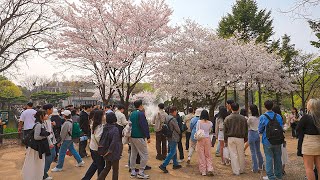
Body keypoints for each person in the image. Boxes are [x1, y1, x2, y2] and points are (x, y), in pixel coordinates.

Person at [22, 110, 50, 180]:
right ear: (41, 116)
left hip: (37, 148)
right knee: (36, 163)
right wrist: (46, 136)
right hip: (36, 149)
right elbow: (36, 137)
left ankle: (37, 177)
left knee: (37, 163)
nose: (47, 115)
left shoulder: (40, 124)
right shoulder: (39, 125)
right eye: (45, 114)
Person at [259, 100, 283, 180]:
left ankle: (271, 176)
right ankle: (279, 175)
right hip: (278, 140)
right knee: (278, 157)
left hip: (267, 140)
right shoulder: (278, 116)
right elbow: (281, 127)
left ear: (265, 106)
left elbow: (260, 130)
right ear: (272, 106)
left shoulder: (263, 117)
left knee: (268, 158)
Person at [296, 99, 320, 180]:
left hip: (308, 143)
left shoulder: (306, 117)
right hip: (318, 143)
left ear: (309, 106)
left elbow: (298, 129)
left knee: (309, 168)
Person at [224, 103, 248, 176]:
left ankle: (236, 171)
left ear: (231, 108)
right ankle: (242, 169)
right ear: (238, 109)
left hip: (231, 137)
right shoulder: (243, 118)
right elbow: (246, 129)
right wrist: (245, 138)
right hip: (240, 138)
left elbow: (225, 130)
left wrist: (225, 140)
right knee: (241, 153)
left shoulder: (227, 118)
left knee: (233, 154)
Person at [97, 112, 122, 180]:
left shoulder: (105, 127)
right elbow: (114, 141)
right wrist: (110, 151)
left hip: (106, 151)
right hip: (113, 152)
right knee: (115, 169)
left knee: (107, 167)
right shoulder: (115, 129)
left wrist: (107, 151)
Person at [129, 100, 150, 179]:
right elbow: (144, 125)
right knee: (144, 154)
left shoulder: (132, 113)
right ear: (141, 105)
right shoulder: (141, 114)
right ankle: (141, 172)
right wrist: (148, 136)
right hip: (139, 136)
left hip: (132, 136)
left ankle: (133, 171)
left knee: (133, 154)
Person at [82, 110, 105, 180]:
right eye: (104, 115)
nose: (105, 116)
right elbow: (98, 137)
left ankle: (86, 178)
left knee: (95, 164)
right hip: (97, 149)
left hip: (93, 148)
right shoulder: (100, 126)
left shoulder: (94, 124)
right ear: (100, 117)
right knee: (100, 166)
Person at [159, 106, 182, 173]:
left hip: (168, 135)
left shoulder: (166, 117)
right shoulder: (173, 119)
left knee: (173, 149)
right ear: (174, 111)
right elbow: (177, 129)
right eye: (176, 111)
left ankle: (175, 164)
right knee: (172, 151)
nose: (176, 112)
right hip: (174, 136)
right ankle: (163, 165)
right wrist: (180, 132)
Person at [196, 110, 214, 176]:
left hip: (201, 138)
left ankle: (203, 171)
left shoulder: (199, 122)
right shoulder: (210, 123)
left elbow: (197, 130)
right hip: (207, 138)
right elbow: (210, 131)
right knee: (208, 154)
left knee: (201, 155)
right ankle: (210, 168)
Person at [273, 106, 288, 176]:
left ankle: (276, 170)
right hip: (281, 138)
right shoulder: (282, 117)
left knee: (276, 155)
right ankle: (282, 170)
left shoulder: (272, 118)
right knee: (283, 154)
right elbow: (284, 127)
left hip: (273, 139)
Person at [247, 104, 263, 173]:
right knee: (258, 150)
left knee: (253, 152)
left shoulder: (250, 118)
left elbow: (247, 124)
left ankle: (255, 168)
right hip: (257, 134)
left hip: (251, 133)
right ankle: (261, 165)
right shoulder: (259, 117)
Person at [42, 104, 56, 180]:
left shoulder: (48, 118)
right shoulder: (44, 118)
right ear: (48, 110)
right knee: (49, 158)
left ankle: (44, 173)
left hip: (51, 139)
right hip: (47, 140)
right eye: (52, 108)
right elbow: (45, 131)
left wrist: (51, 124)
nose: (52, 110)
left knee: (52, 156)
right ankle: (43, 174)